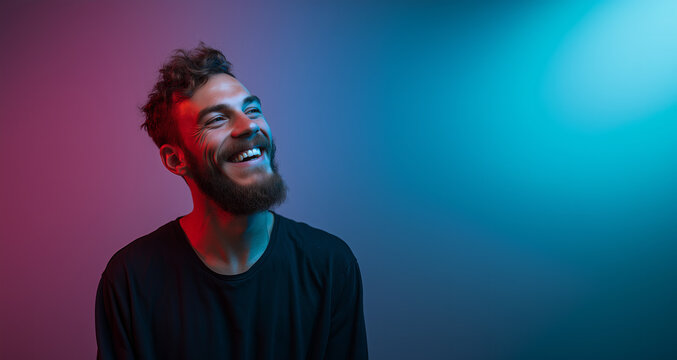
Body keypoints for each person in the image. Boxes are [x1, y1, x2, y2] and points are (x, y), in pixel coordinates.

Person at [95, 43, 368, 359]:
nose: (249, 126)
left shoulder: (330, 265)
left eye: (252, 110)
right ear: (175, 159)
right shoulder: (130, 278)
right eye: (216, 120)